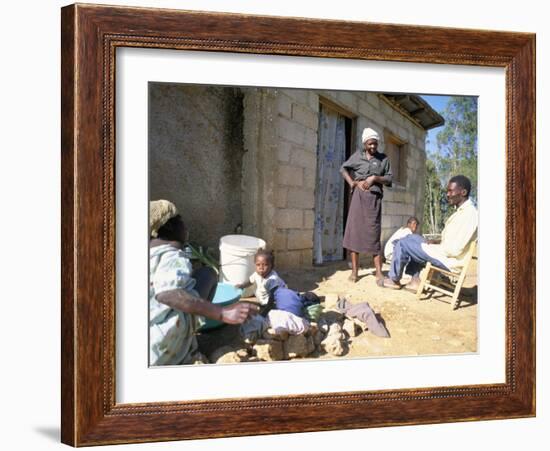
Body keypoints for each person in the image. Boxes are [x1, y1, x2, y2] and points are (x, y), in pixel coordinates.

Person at [149, 199, 258, 366]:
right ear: (169, 226)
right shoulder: (171, 256)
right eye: (180, 219)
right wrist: (221, 313)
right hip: (162, 348)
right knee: (208, 274)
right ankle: (184, 342)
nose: (185, 225)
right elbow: (167, 293)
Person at [383, 175, 478, 291]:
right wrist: (433, 242)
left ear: (463, 192)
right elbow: (452, 239)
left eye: (451, 191)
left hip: (449, 261)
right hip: (444, 254)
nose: (447, 194)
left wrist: (433, 247)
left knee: (404, 243)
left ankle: (394, 279)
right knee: (412, 238)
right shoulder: (462, 212)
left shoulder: (469, 214)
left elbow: (455, 249)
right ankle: (415, 281)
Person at [340, 127, 393, 284]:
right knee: (354, 232)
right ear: (364, 143)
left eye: (375, 144)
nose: (373, 147)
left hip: (374, 200)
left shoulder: (383, 159)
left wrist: (375, 178)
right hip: (358, 198)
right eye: (370, 144)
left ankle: (378, 273)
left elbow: (389, 179)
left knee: (373, 233)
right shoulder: (357, 156)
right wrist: (352, 183)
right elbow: (343, 168)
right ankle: (355, 272)